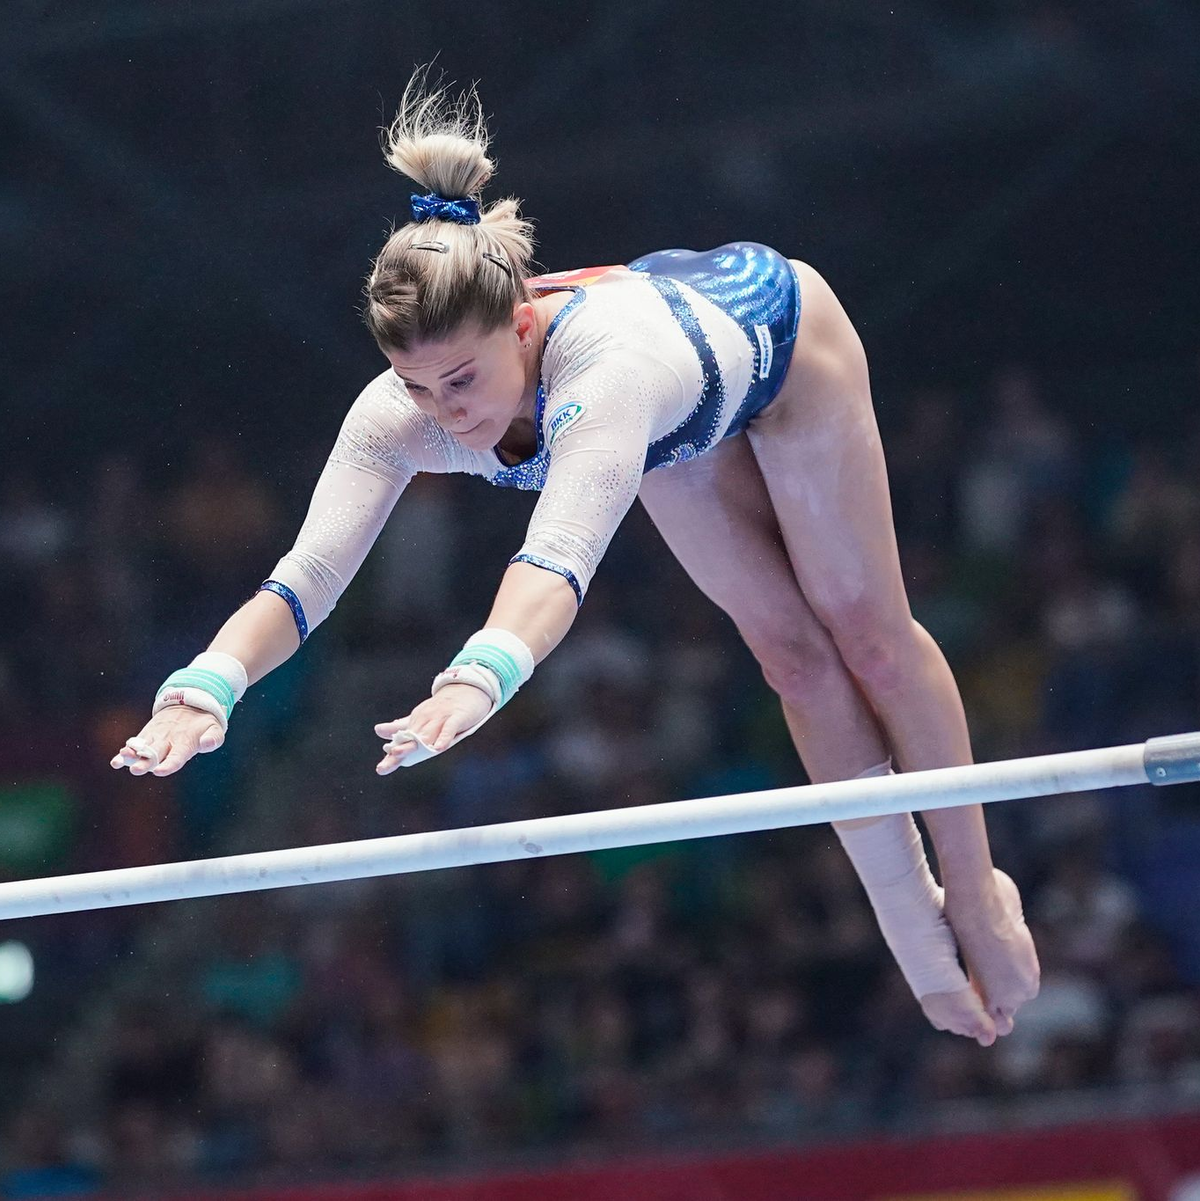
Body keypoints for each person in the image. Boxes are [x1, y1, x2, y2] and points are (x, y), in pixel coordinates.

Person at [112, 70, 1039, 1046]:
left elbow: (554, 560)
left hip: (777, 344)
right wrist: (204, 687)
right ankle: (910, 921)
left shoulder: (604, 372)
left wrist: (480, 675)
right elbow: (305, 578)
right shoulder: (399, 415)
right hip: (670, 424)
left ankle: (974, 890)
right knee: (790, 660)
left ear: (520, 323)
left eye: (463, 378)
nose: (448, 413)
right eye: (419, 387)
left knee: (866, 634)